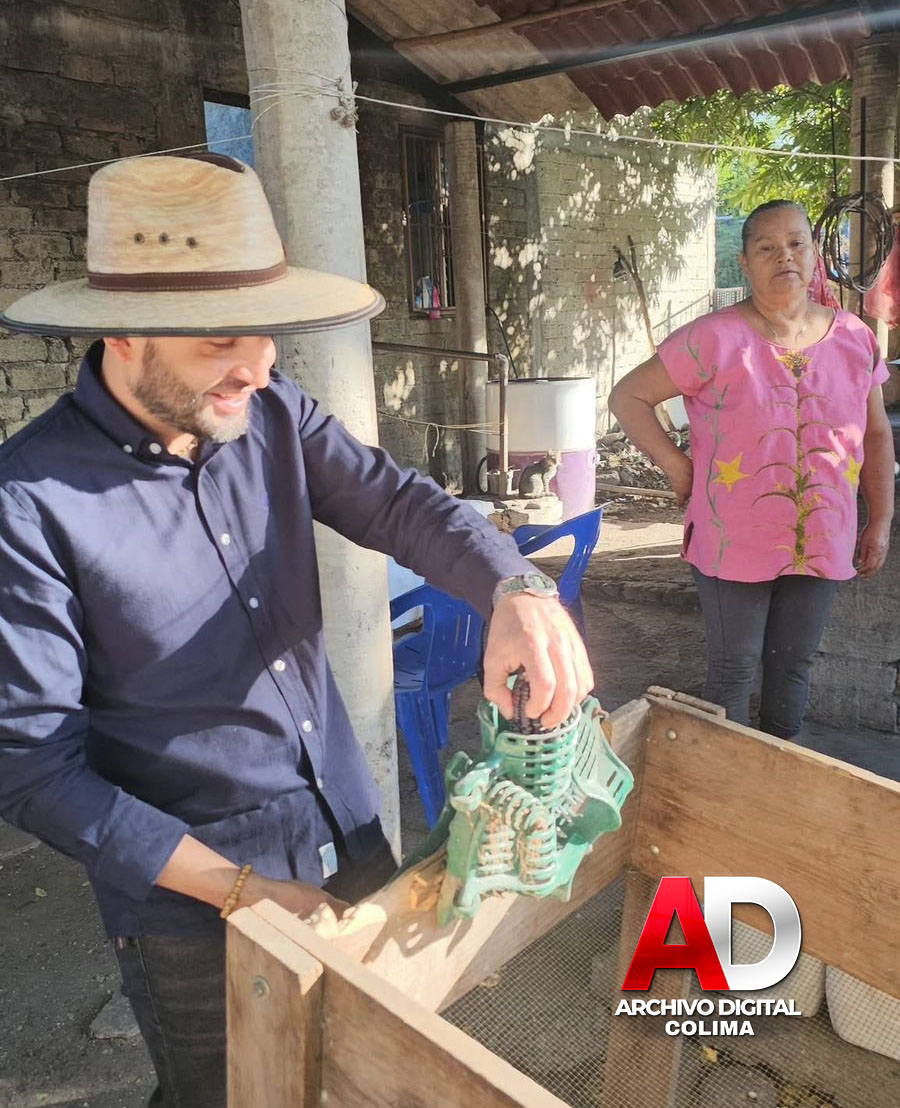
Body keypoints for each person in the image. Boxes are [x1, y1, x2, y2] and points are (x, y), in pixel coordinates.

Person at [0, 153, 593, 1108]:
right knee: (234, 1093)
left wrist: (518, 591)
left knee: (367, 1071)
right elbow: (34, 772)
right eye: (220, 340)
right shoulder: (28, 504)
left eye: (265, 332)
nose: (259, 365)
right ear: (122, 330)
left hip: (343, 828)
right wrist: (241, 892)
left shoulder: (273, 415)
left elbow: (401, 505)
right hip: (192, 907)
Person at [609, 198, 894, 737]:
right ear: (744, 263)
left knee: (793, 664)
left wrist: (879, 519)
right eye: (766, 248)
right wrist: (678, 468)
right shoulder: (712, 338)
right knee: (734, 669)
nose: (784, 256)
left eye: (796, 243)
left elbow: (876, 434)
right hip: (731, 536)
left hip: (824, 534)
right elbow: (628, 397)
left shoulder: (855, 337)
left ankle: (778, 774)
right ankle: (729, 778)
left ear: (815, 254)